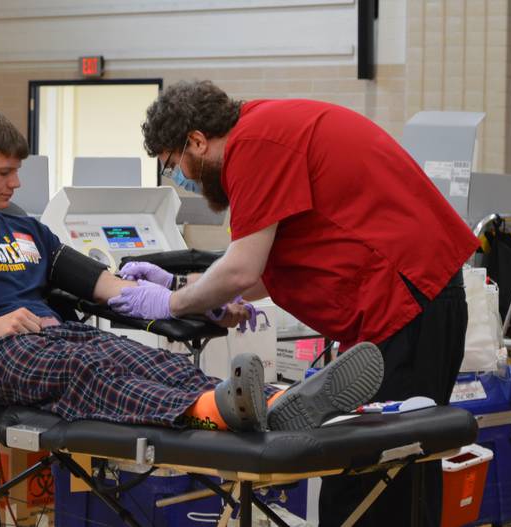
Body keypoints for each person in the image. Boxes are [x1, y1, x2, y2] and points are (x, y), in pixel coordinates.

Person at [0, 103, 382, 437]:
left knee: (130, 354)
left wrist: (193, 299)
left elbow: (106, 286)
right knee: (83, 369)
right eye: (4, 172)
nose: (16, 183)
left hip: (50, 338)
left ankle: (288, 400)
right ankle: (215, 412)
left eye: (18, 170)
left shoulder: (28, 230)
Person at [110, 81, 479, 526]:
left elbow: (242, 270)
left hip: (407, 299)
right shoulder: (267, 128)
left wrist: (171, 302)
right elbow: (265, 270)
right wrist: (188, 284)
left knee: (371, 472)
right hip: (414, 297)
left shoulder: (252, 145)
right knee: (402, 471)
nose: (180, 178)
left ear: (197, 141)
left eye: (173, 165)